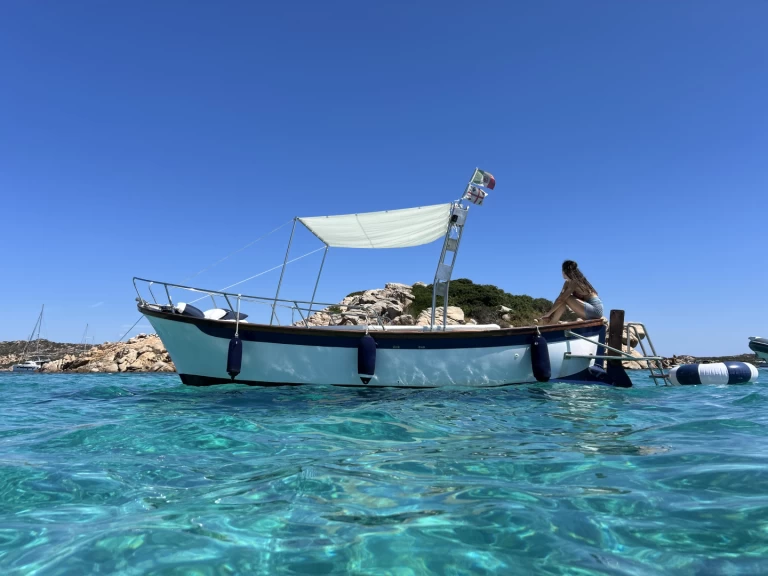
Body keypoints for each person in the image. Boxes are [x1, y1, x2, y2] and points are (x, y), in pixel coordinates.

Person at [538, 260, 603, 325]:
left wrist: (548, 314)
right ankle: (551, 322)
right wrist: (550, 314)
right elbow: (559, 299)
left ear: (564, 271)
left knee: (566, 298)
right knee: (563, 299)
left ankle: (551, 323)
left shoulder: (574, 282)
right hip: (587, 309)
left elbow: (562, 299)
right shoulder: (567, 283)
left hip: (595, 310)